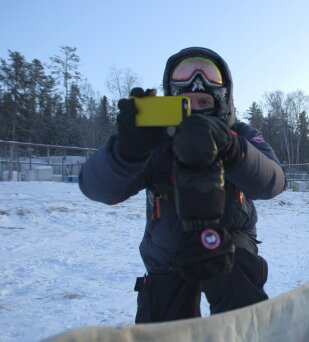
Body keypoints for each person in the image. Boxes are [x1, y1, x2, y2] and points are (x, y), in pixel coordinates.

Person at [79, 47, 286, 323]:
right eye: (187, 103)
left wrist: (233, 149)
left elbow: (273, 182)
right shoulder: (156, 139)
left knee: (243, 316)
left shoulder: (240, 133)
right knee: (161, 340)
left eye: (204, 102)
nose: (197, 112)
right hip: (167, 252)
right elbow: (98, 189)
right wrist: (125, 152)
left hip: (231, 242)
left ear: (222, 101)